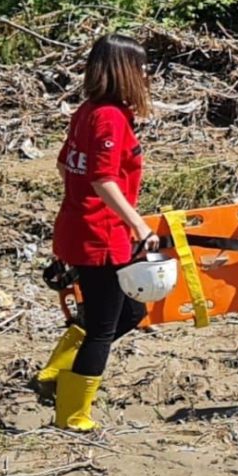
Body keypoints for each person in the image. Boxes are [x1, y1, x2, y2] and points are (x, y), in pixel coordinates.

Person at [32, 34, 160, 431]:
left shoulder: (89, 111)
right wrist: (137, 224)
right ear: (124, 71)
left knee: (132, 311)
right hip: (99, 235)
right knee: (104, 326)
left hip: (80, 225)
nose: (145, 74)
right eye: (140, 67)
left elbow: (64, 165)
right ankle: (73, 415)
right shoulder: (108, 116)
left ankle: (57, 371)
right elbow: (103, 179)